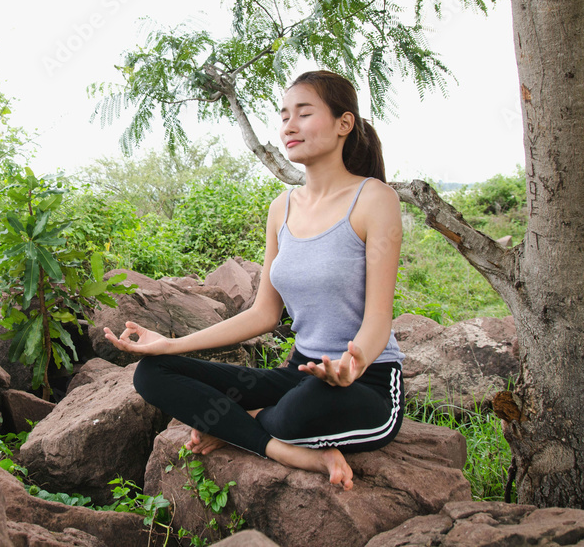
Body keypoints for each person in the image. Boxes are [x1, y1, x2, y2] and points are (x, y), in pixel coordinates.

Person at [103, 70, 405, 490]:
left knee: (301, 408)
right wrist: (171, 344)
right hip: (300, 371)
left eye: (303, 113)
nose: (289, 126)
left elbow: (378, 318)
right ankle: (281, 449)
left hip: (364, 382)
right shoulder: (281, 208)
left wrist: (353, 365)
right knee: (152, 373)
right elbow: (263, 313)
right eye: (284, 117)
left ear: (344, 124)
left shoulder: (373, 198)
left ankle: (237, 426)